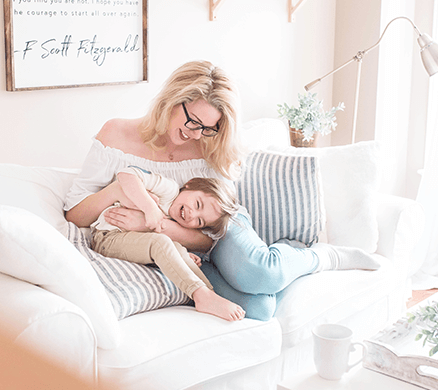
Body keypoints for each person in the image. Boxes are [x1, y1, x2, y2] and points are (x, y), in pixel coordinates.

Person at [64, 60, 379, 321]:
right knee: (258, 309)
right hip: (173, 244)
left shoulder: (208, 146)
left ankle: (318, 257)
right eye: (192, 121)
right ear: (172, 100)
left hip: (217, 222)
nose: (194, 134)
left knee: (260, 274)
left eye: (207, 128)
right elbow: (74, 213)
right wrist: (121, 190)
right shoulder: (116, 134)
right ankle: (282, 257)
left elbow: (210, 233)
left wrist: (157, 223)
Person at [90, 165, 244, 321]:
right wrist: (150, 208)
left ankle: (208, 294)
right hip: (107, 237)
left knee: (177, 248)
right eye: (198, 204)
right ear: (190, 184)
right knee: (161, 242)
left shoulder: (177, 221)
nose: (192, 214)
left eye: (199, 221)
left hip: (131, 243)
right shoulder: (168, 190)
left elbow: (154, 243)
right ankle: (200, 295)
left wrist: (180, 255)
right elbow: (126, 174)